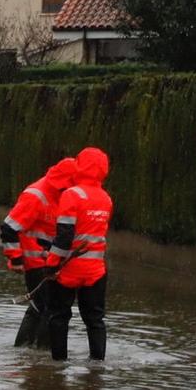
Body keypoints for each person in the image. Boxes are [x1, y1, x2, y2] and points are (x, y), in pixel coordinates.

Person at [1, 157, 79, 347]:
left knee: (39, 307)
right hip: (37, 264)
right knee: (48, 308)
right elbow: (9, 228)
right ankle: (42, 353)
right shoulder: (36, 196)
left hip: (51, 263)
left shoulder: (61, 195)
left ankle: (26, 349)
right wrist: (16, 259)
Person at [51, 146, 113, 361]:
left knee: (59, 316)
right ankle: (97, 365)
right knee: (95, 319)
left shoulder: (71, 195)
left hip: (69, 268)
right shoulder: (106, 198)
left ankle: (59, 365)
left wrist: (52, 262)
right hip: (96, 270)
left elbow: (64, 235)